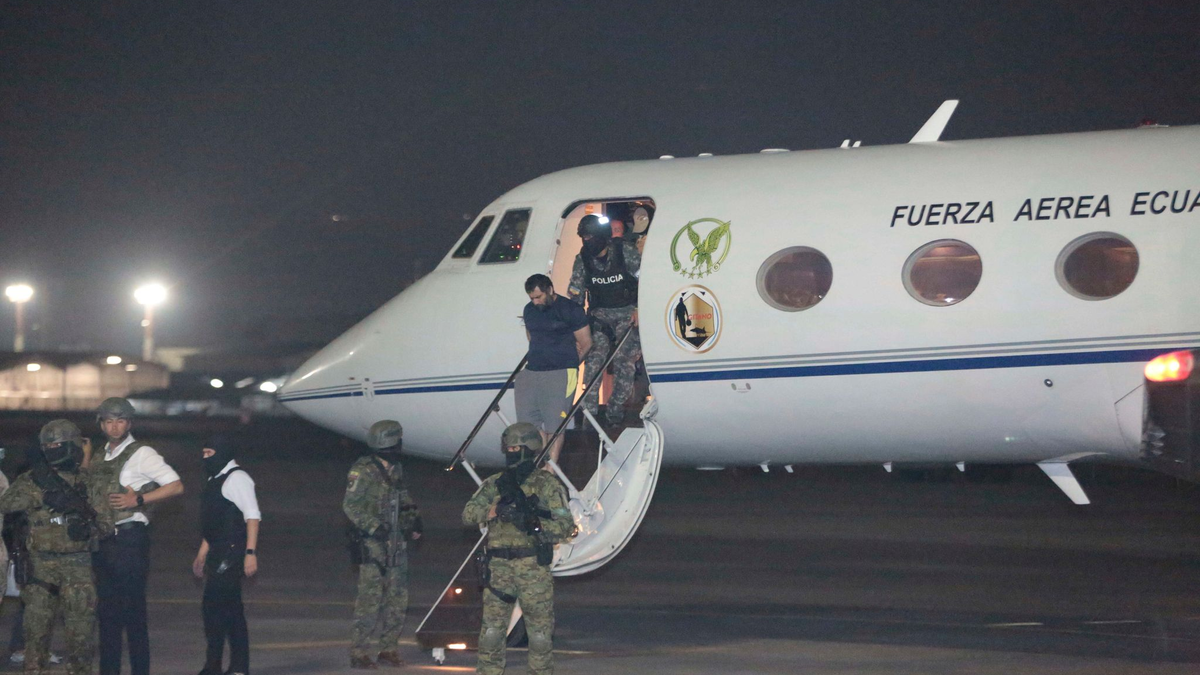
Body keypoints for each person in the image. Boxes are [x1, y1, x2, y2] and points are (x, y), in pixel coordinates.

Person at [462, 423, 577, 675]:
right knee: (492, 632)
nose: (512, 453)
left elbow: (566, 527)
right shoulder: (495, 483)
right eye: (509, 449)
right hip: (499, 568)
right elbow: (468, 514)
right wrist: (495, 511)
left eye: (517, 448)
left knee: (540, 633)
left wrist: (534, 524)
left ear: (530, 449)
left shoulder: (547, 485)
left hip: (532, 567)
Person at [0, 420, 113, 675]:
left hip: (78, 568)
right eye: (49, 446)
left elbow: (106, 526)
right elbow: (6, 504)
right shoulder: (33, 480)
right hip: (40, 568)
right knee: (35, 639)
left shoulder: (89, 483)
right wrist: (41, 495)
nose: (54, 450)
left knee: (80, 640)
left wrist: (86, 529)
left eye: (58, 445)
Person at [90, 396, 184, 675]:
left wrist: (139, 500)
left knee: (133, 615)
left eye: (120, 421)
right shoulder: (101, 454)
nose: (114, 427)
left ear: (129, 423)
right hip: (104, 542)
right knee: (107, 616)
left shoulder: (142, 453)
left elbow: (176, 485)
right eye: (109, 421)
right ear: (101, 424)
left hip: (129, 541)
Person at [343, 420, 422, 669]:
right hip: (373, 544)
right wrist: (374, 527)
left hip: (396, 541)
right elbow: (351, 506)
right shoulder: (363, 471)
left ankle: (388, 648)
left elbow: (402, 496)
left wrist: (414, 520)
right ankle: (359, 652)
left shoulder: (395, 468)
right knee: (370, 598)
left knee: (397, 598)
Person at [568, 214, 644, 432]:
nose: (587, 242)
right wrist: (575, 331)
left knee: (624, 362)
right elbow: (575, 296)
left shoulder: (625, 252)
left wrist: (639, 308)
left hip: (627, 314)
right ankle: (589, 416)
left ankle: (615, 412)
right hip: (600, 316)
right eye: (584, 238)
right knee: (593, 363)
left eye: (590, 237)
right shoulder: (582, 260)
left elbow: (645, 281)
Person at [192, 436, 261, 675]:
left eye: (209, 453)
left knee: (219, 610)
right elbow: (214, 522)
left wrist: (250, 553)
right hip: (217, 552)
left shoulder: (237, 478)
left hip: (231, 554)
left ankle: (226, 666)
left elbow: (252, 516)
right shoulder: (215, 477)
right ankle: (226, 666)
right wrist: (202, 553)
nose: (205, 458)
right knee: (226, 611)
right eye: (204, 453)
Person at [518, 274, 592, 465]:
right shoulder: (529, 310)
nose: (535, 302)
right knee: (528, 424)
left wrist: (571, 363)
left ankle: (550, 469)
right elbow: (531, 336)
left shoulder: (570, 310)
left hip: (561, 372)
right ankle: (543, 461)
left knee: (555, 424)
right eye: (532, 298)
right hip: (533, 370)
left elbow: (586, 343)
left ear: (550, 290)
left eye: (539, 297)